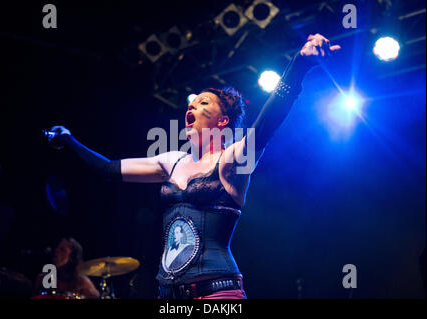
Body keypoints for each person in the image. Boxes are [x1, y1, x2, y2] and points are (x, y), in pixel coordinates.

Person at [46, 34, 340, 299]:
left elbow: (266, 125)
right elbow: (109, 168)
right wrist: (69, 141)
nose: (191, 107)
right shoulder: (172, 161)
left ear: (221, 121)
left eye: (203, 104)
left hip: (217, 294)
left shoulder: (230, 161)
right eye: (192, 103)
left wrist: (299, 65)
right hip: (169, 296)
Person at [34, 238, 100, 299]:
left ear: (72, 257)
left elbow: (96, 296)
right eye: (57, 248)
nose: (56, 251)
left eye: (62, 250)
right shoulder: (43, 278)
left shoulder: (81, 281)